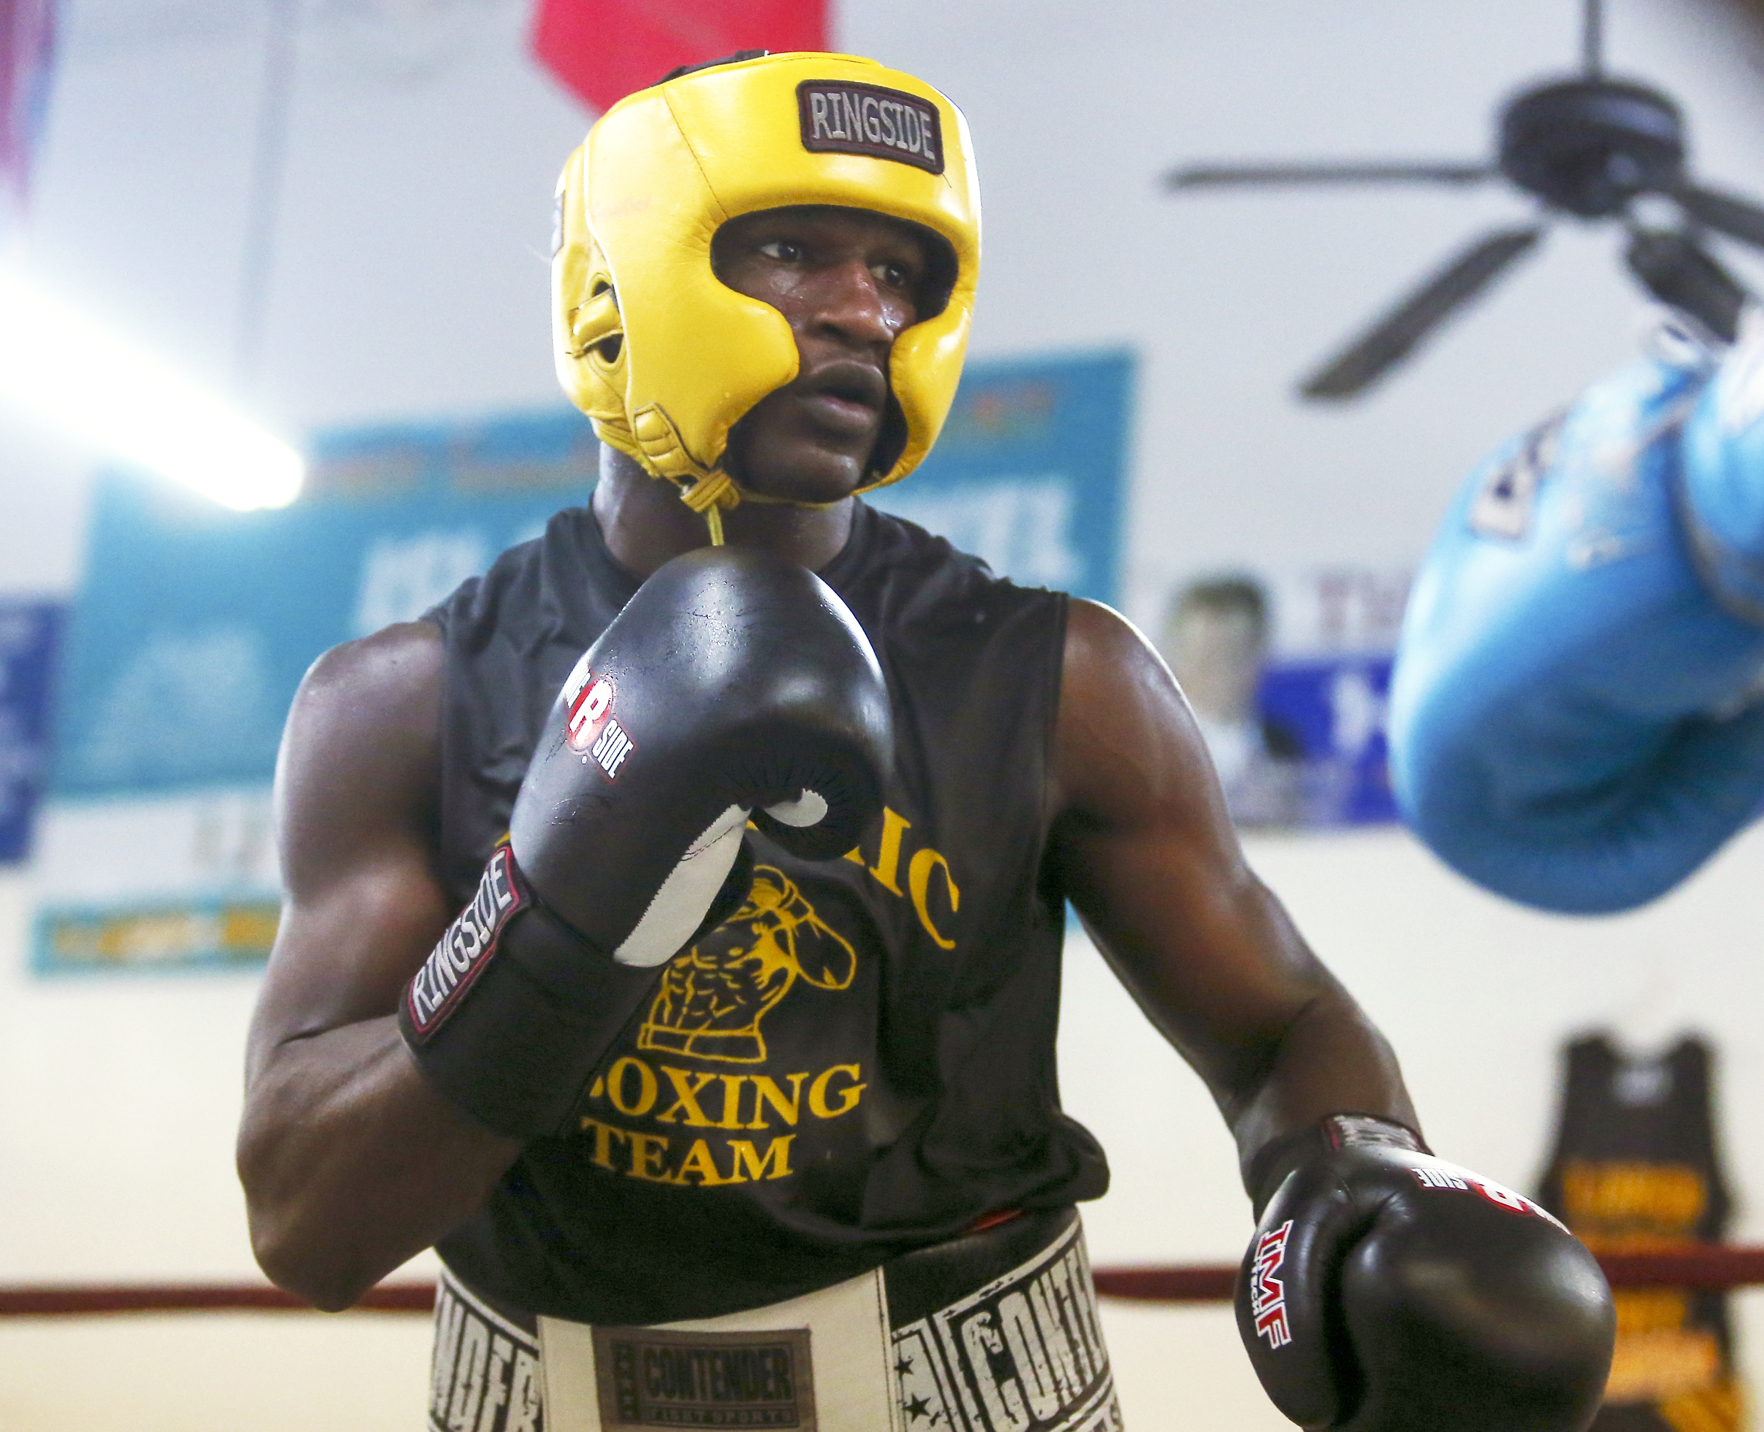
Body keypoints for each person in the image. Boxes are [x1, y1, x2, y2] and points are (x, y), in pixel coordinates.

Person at [236, 51, 1614, 1432]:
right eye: (790, 251)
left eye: (905, 275)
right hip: (539, 1388)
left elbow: (1283, 1027)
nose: (860, 310)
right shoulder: (405, 702)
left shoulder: (1057, 680)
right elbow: (309, 1226)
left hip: (963, 1376)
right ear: (617, 280)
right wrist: (552, 915)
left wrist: (1356, 1177)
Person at [1389, 249, 1764, 915]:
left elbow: (1753, 740)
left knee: (1762, 498)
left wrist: (1737, 673)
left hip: (1702, 522)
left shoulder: (1517, 819)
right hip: (1663, 426)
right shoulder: (1449, 714)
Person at [1163, 576, 1306, 825]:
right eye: (1206, 656)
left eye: (1234, 656)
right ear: (1174, 657)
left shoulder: (1284, 746)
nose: (1221, 673)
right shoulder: (1150, 750)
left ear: (1261, 654)